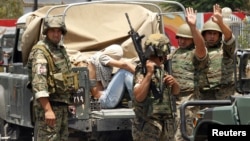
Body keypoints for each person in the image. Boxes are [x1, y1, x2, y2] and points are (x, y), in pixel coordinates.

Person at [27, 16, 76, 141]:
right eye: (53, 30)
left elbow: (66, 78)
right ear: (46, 32)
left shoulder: (60, 50)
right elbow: (39, 84)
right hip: (50, 109)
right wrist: (48, 110)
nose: (56, 34)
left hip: (61, 108)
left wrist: (69, 102)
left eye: (59, 31)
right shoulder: (41, 51)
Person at [169, 7, 209, 141]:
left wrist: (193, 27)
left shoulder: (195, 53)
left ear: (192, 39)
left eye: (186, 38)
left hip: (189, 100)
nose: (182, 41)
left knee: (183, 135)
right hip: (173, 99)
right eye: (180, 38)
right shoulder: (174, 53)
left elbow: (201, 48)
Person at [131, 33, 180, 141]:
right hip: (148, 125)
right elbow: (139, 96)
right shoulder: (142, 70)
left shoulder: (165, 68)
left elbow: (176, 93)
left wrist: (174, 83)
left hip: (166, 124)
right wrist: (149, 74)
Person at [200, 4, 236, 100]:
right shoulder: (199, 50)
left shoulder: (225, 49)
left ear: (219, 35)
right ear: (203, 35)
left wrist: (220, 22)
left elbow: (229, 37)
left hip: (225, 93)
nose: (212, 36)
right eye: (209, 33)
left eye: (215, 33)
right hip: (205, 94)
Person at [87, 44, 135, 109]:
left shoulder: (95, 59)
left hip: (105, 97)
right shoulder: (102, 57)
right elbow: (125, 65)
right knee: (124, 72)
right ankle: (138, 99)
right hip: (104, 100)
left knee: (124, 71)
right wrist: (139, 73)